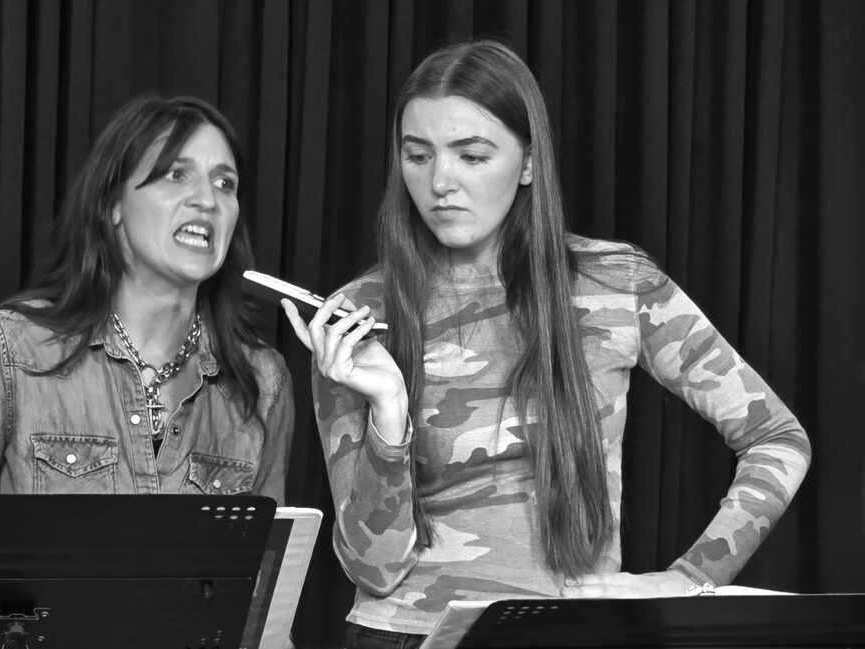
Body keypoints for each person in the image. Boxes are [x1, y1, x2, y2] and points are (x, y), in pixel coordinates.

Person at [283, 40, 810, 645]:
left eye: (472, 155)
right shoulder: (358, 316)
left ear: (528, 163)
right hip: (403, 636)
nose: (440, 182)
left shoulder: (616, 284)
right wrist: (388, 412)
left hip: (568, 633)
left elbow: (777, 437)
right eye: (417, 156)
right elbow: (372, 569)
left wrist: (691, 579)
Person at [0, 94, 294, 502]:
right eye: (176, 175)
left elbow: (273, 545)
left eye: (225, 184)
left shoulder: (263, 382)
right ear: (113, 205)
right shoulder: (10, 350)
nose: (207, 200)